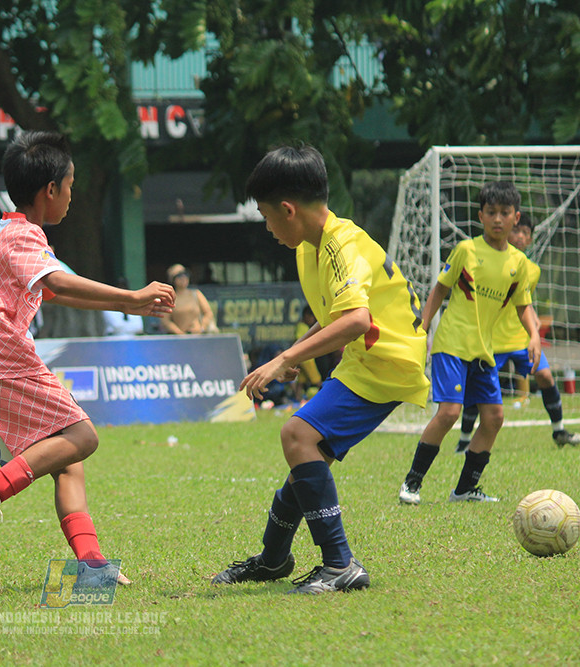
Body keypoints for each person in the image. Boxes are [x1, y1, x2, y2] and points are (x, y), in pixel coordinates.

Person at [0, 131, 174, 587]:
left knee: (68, 459)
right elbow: (63, 284)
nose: (72, 195)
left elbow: (54, 289)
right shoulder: (24, 235)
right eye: (71, 185)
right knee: (83, 436)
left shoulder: (8, 231)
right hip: (4, 357)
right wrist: (133, 297)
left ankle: (91, 567)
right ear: (50, 189)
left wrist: (127, 305)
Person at [210, 145, 429, 594]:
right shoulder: (313, 245)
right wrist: (295, 353)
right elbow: (334, 315)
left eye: (267, 216)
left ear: (288, 210)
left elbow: (356, 320)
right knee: (308, 462)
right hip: (369, 359)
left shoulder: (341, 246)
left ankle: (340, 565)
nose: (268, 227)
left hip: (385, 362)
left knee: (296, 435)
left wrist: (286, 358)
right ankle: (273, 560)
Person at [398, 181, 539, 506]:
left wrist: (533, 335)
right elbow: (440, 289)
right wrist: (424, 324)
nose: (498, 219)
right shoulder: (467, 250)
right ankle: (412, 483)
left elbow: (523, 305)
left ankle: (464, 489)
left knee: (494, 418)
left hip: (483, 352)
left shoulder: (519, 264)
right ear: (481, 216)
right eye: (491, 213)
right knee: (448, 413)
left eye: (505, 213)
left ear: (516, 217)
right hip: (452, 345)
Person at [458, 216, 579, 449]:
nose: (521, 237)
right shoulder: (491, 261)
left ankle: (559, 431)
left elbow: (525, 302)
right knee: (478, 388)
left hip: (521, 338)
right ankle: (463, 441)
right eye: (518, 231)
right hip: (493, 339)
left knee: (545, 376)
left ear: (531, 239)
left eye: (526, 233)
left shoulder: (532, 269)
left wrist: (533, 327)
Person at [159, 263, 215, 335]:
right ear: (173, 280)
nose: (183, 278)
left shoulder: (196, 294)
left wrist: (202, 328)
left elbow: (208, 313)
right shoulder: (169, 298)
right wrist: (180, 333)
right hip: (180, 340)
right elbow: (165, 321)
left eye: (185, 274)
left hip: (197, 337)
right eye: (179, 275)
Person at [291, 306, 323, 403]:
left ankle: (298, 398)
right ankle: (323, 397)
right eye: (312, 317)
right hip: (307, 359)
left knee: (301, 380)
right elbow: (301, 341)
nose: (313, 320)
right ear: (306, 316)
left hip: (302, 358)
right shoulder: (302, 327)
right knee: (317, 379)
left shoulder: (302, 326)